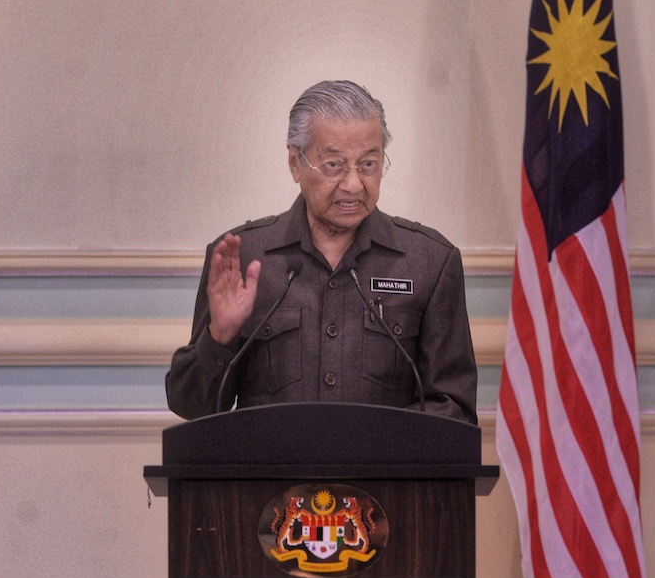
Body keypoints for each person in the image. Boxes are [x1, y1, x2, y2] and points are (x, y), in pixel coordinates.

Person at [165, 80, 477, 424]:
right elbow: (193, 408)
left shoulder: (429, 262)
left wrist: (370, 448)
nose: (354, 184)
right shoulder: (243, 257)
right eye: (334, 165)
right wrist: (219, 338)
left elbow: (454, 410)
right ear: (295, 163)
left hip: (382, 477)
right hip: (273, 477)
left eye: (368, 164)